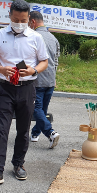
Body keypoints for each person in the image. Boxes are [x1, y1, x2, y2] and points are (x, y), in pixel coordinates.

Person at [0, 0, 49, 186]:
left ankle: (19, 164)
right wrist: (1, 69)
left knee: (23, 130)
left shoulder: (36, 37)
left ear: (29, 19)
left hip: (27, 88)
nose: (20, 23)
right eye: (16, 19)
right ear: (10, 15)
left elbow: (44, 61)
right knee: (1, 130)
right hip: (5, 88)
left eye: (24, 20)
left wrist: (33, 70)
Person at [28, 10, 61, 149]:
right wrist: (53, 77)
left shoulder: (33, 36)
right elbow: (56, 61)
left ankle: (50, 132)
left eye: (28, 22)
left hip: (37, 80)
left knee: (36, 109)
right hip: (50, 81)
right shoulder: (53, 38)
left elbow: (28, 58)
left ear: (33, 22)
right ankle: (35, 133)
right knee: (42, 109)